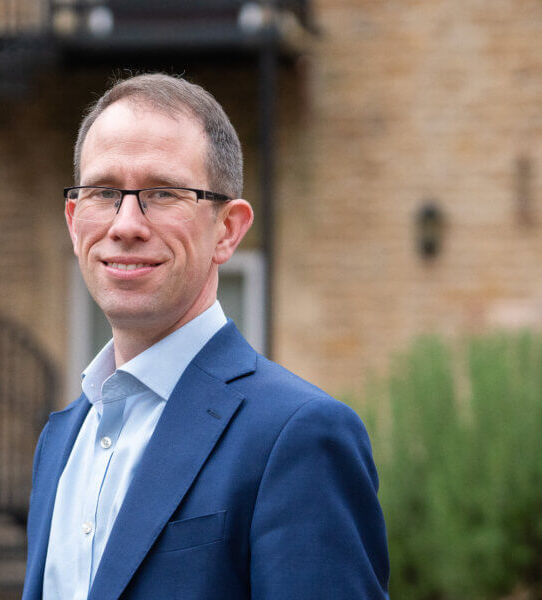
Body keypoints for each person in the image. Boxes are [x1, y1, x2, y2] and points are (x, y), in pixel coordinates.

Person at [22, 73, 389, 599]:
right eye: (104, 192)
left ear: (228, 230)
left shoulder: (299, 436)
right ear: (74, 218)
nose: (126, 224)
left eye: (163, 192)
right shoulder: (60, 441)